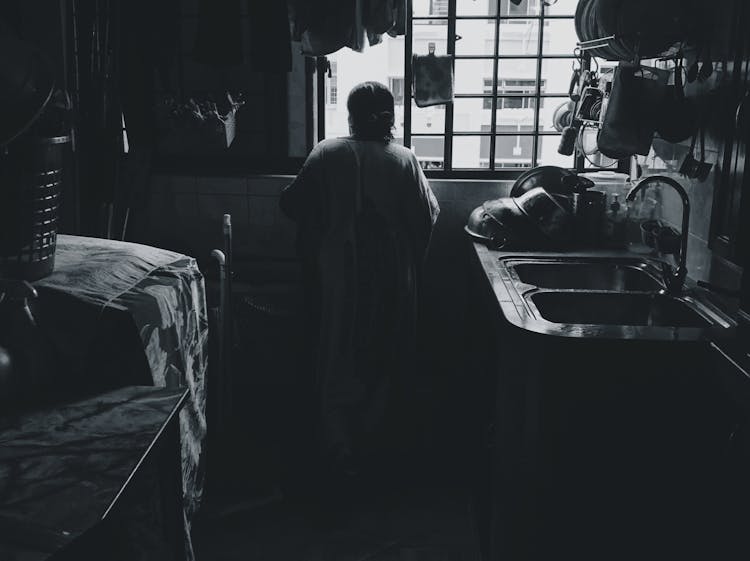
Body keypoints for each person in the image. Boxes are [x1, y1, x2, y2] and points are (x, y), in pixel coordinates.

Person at [280, 81, 439, 482]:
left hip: (338, 271)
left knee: (336, 346)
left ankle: (338, 447)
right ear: (391, 117)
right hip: (392, 271)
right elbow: (426, 218)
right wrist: (409, 263)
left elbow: (292, 203)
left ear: (350, 115)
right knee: (386, 347)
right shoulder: (404, 159)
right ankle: (376, 444)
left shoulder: (327, 151)